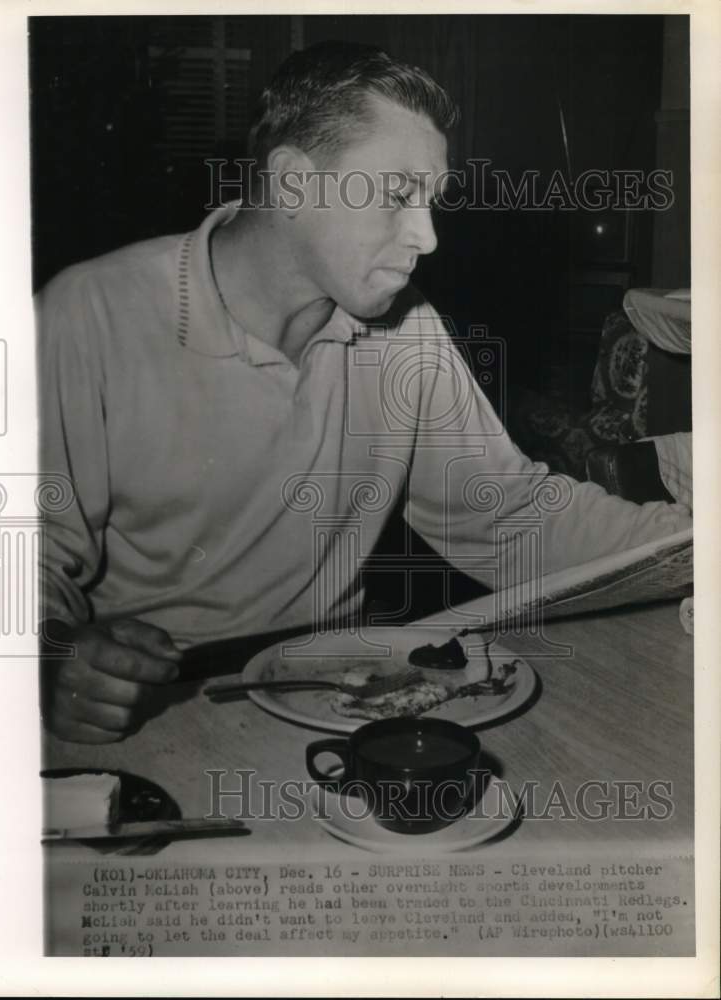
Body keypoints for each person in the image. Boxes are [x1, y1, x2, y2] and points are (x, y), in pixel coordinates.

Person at [38, 41, 691, 744]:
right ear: (292, 184)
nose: (428, 237)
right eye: (397, 195)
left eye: (432, 202)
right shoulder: (92, 311)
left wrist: (693, 545)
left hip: (343, 700)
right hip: (159, 710)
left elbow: (509, 514)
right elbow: (19, 556)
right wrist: (48, 658)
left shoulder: (408, 327)